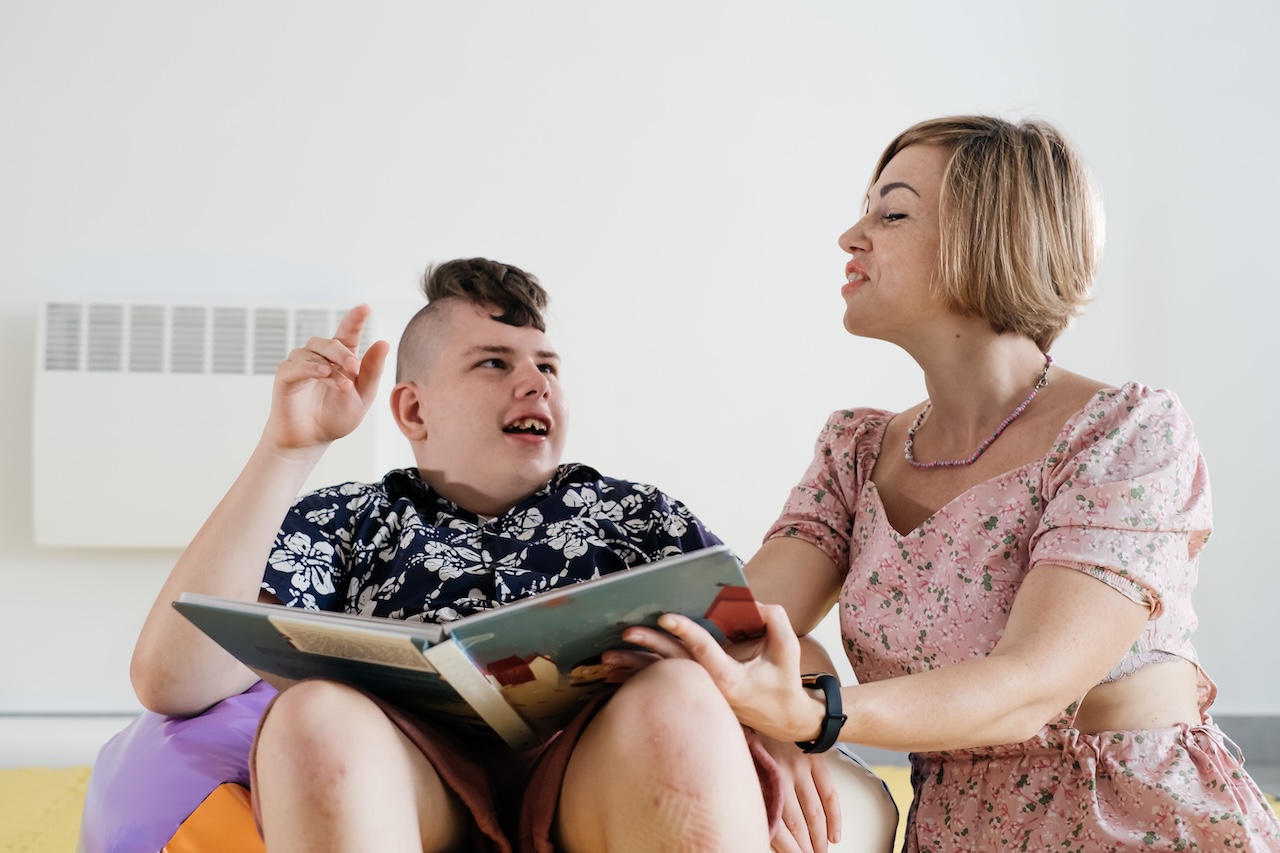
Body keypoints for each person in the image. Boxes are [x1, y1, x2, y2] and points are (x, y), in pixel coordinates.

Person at [626, 116, 1280, 851]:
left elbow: (1033, 683)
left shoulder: (1125, 431)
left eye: (891, 212)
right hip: (954, 829)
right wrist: (769, 710)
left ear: (992, 239)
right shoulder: (854, 450)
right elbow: (744, 623)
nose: (851, 236)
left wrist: (815, 714)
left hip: (1137, 819)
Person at [128, 257, 817, 853]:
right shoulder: (347, 518)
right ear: (413, 412)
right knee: (312, 714)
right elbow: (174, 681)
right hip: (415, 777)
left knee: (680, 695)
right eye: (495, 362)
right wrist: (287, 449)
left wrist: (788, 719)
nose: (535, 382)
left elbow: (776, 645)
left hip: (596, 774)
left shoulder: (634, 513)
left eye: (548, 365)